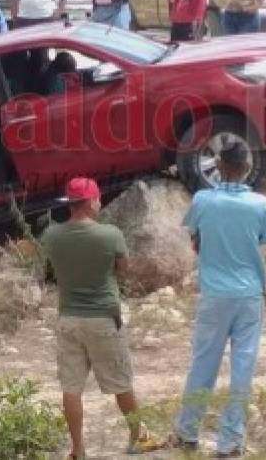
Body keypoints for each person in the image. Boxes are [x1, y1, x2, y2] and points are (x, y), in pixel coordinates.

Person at [42, 177, 164, 458]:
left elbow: (52, 268)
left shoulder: (52, 235)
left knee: (71, 388)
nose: (100, 203)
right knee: (121, 383)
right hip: (103, 318)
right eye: (98, 199)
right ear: (88, 203)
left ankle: (78, 449)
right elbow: (124, 270)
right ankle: (137, 436)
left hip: (68, 318)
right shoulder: (110, 235)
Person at [169, 139, 266, 458]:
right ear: (246, 168)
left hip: (214, 294)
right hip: (248, 294)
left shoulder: (203, 199)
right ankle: (230, 441)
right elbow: (265, 238)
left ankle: (187, 430)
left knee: (203, 363)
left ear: (219, 167)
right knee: (243, 366)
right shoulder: (259, 204)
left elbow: (194, 236)